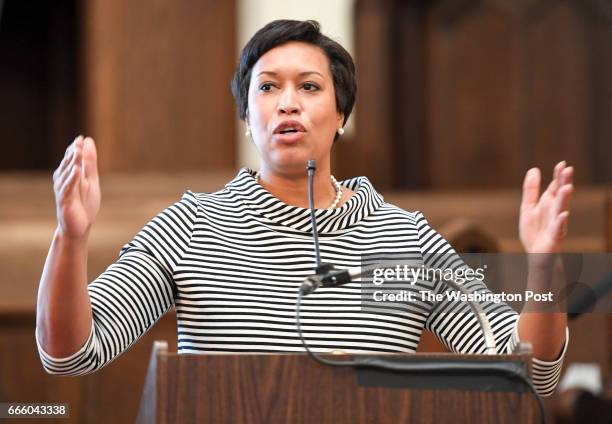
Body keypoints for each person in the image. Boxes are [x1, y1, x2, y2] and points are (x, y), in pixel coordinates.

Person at [35, 20, 572, 397]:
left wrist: (543, 265)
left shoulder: (404, 238)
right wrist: (71, 238)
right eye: (267, 88)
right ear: (247, 118)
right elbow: (72, 353)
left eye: (309, 87)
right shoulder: (191, 225)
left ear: (341, 115)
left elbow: (525, 368)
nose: (287, 102)